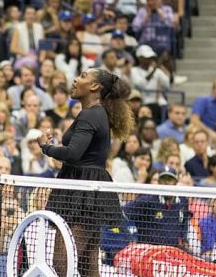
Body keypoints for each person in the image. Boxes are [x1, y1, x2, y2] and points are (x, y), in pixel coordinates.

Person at [37, 68, 134, 277]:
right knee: (87, 266)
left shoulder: (92, 113)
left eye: (82, 76)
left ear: (94, 86)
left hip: (84, 193)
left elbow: (73, 153)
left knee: (62, 262)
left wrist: (45, 147)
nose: (74, 79)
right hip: (81, 187)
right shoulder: (93, 112)